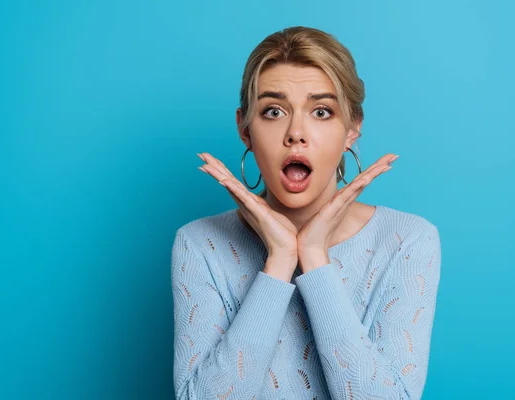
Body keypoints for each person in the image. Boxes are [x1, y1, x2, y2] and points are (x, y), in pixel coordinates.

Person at [171, 26, 441, 400]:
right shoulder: (199, 244)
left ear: (352, 128)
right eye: (274, 111)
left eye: (321, 111)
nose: (296, 133)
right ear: (245, 129)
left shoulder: (408, 240)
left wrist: (314, 259)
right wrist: (280, 261)